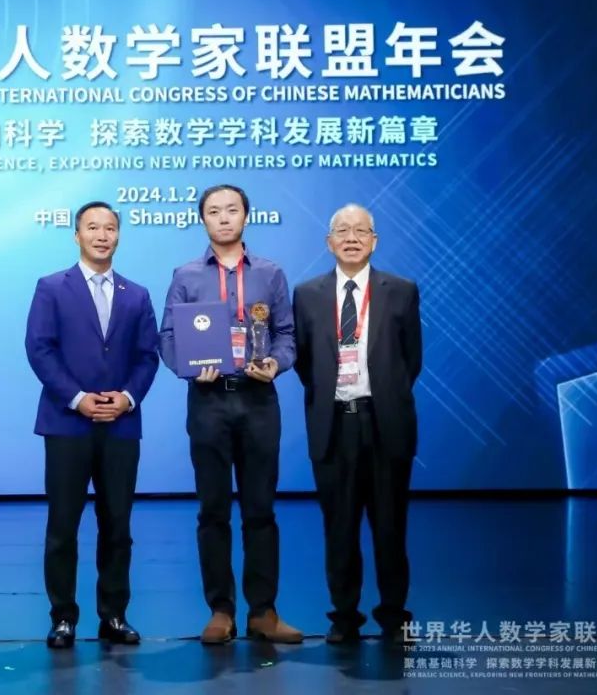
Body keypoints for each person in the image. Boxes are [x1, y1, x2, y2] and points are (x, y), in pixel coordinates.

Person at [159, 184, 303, 645]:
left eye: (232, 210)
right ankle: (220, 610)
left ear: (246, 216)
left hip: (258, 399)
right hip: (209, 402)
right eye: (214, 211)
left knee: (261, 509)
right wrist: (189, 368)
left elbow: (287, 334)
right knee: (213, 510)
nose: (223, 218)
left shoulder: (270, 273)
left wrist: (276, 363)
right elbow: (168, 337)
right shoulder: (186, 275)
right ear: (202, 219)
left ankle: (263, 611)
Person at [25, 201, 160, 648]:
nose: (102, 235)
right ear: (76, 235)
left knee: (117, 525)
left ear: (118, 235)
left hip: (121, 425)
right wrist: (78, 399)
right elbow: (40, 349)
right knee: (63, 525)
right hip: (68, 423)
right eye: (93, 227)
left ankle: (114, 616)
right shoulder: (51, 287)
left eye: (110, 228)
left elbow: (147, 355)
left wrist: (127, 398)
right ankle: (63, 617)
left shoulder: (136, 294)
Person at [291, 203, 422, 644]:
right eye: (342, 231)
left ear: (374, 241)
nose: (351, 238)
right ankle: (344, 617)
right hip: (334, 425)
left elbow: (411, 360)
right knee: (339, 529)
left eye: (361, 231)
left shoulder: (400, 291)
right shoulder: (307, 294)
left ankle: (393, 615)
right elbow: (305, 362)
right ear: (329, 242)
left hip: (385, 424)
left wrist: (381, 394)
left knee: (390, 528)